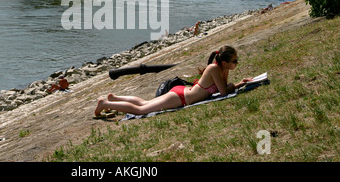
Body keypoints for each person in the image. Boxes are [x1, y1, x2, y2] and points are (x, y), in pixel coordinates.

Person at [94, 46, 253, 117]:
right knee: (142, 110)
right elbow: (224, 92)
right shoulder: (214, 69)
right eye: (235, 61)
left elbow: (222, 89)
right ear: (225, 62)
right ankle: (105, 104)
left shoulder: (222, 70)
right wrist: (236, 84)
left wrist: (241, 83)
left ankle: (114, 98)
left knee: (144, 103)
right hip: (180, 97)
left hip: (181, 93)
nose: (236, 63)